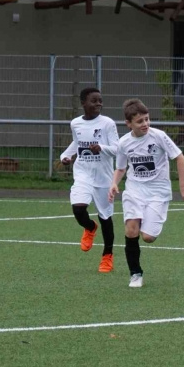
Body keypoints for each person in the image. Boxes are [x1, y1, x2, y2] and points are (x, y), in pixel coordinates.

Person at [108, 99, 184, 288]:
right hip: (134, 190)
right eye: (140, 121)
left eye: (147, 119)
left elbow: (179, 157)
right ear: (129, 123)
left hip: (158, 192)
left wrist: (183, 186)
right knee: (131, 229)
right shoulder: (123, 143)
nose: (145, 124)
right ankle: (135, 274)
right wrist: (114, 183)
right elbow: (121, 168)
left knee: (148, 237)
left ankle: (148, 222)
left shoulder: (159, 136)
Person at [60, 87, 119, 273]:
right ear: (83, 103)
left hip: (103, 177)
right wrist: (66, 156)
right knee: (78, 208)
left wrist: (101, 148)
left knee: (105, 217)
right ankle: (90, 227)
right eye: (94, 101)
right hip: (83, 173)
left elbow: (117, 149)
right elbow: (77, 143)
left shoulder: (108, 123)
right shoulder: (75, 123)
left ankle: (107, 256)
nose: (98, 104)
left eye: (100, 100)